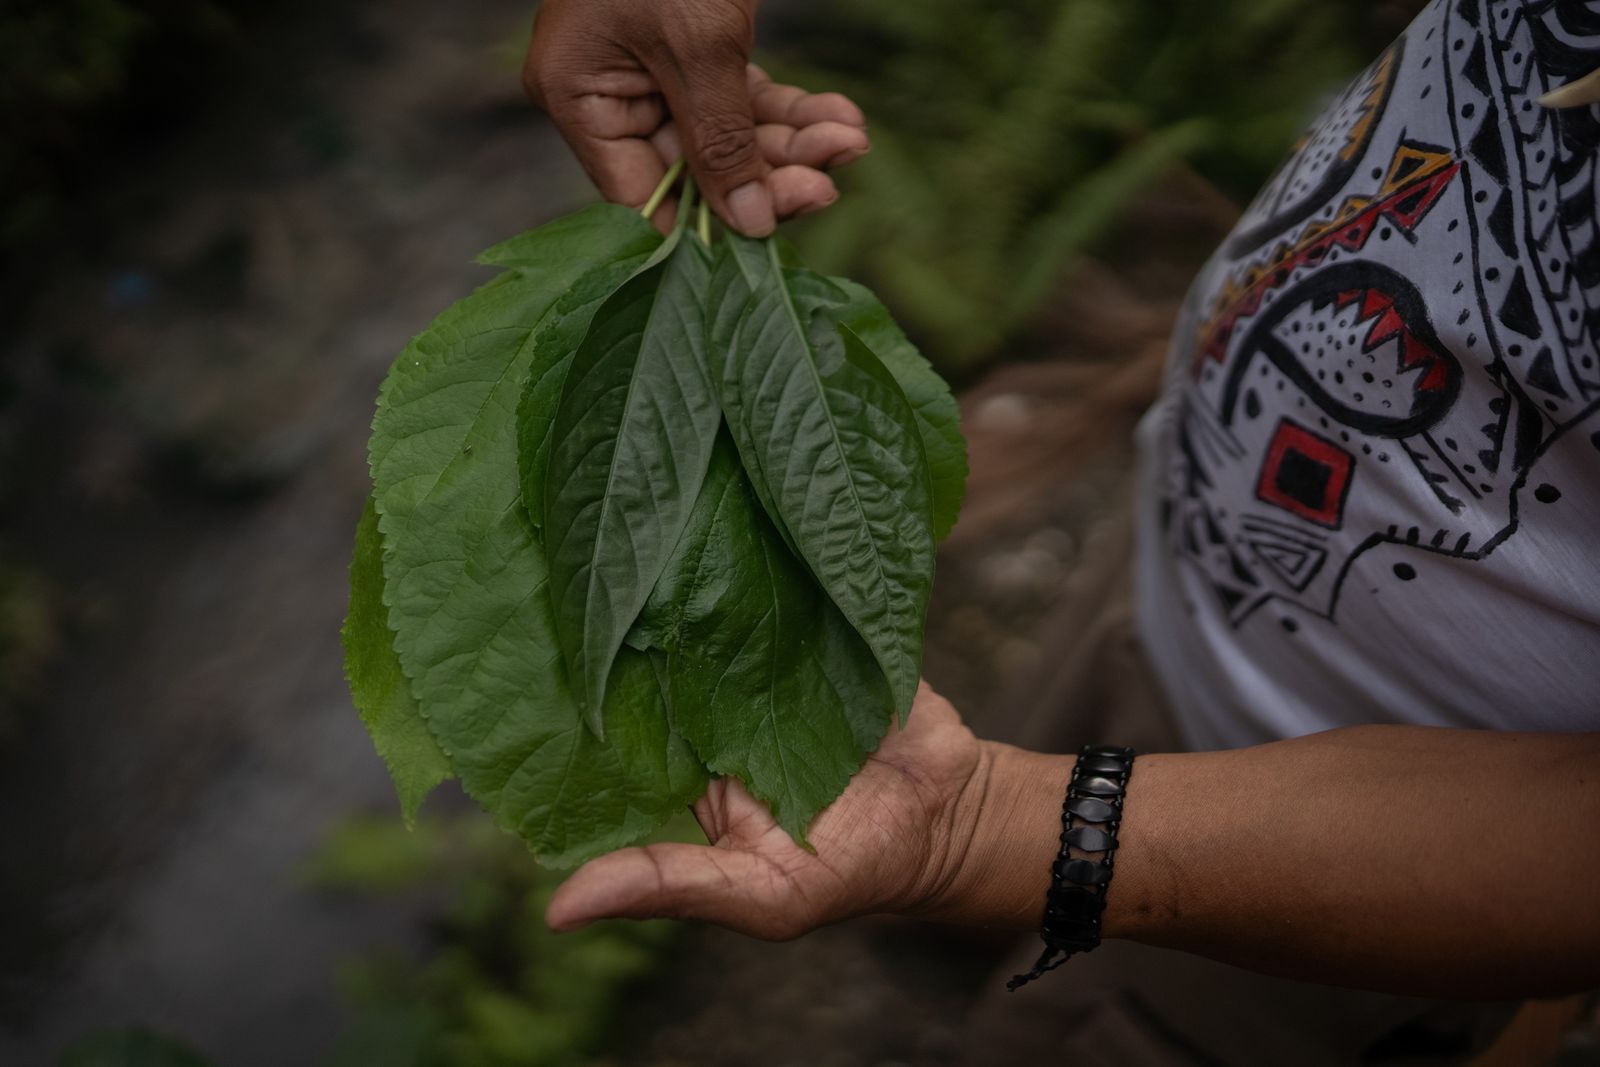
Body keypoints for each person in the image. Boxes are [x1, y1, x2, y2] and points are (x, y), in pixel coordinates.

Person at [525, 0, 1600, 1060]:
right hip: (1182, 557)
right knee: (982, 832)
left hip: (1366, 860)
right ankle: (964, 921)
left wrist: (997, 829)